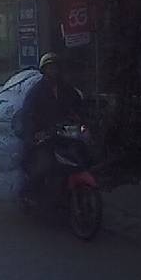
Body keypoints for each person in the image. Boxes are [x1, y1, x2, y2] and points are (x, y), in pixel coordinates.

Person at [20, 52, 84, 200]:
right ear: (44, 70)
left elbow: (78, 105)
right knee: (44, 166)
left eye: (55, 67)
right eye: (49, 68)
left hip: (63, 133)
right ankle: (32, 195)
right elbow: (27, 114)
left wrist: (80, 118)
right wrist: (34, 133)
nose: (53, 71)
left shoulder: (66, 88)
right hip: (44, 136)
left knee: (82, 155)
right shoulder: (37, 91)